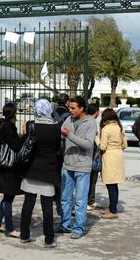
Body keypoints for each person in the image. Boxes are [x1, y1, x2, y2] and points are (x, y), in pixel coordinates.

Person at [19, 99, 61, 248]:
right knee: (47, 207)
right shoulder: (56, 128)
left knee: (28, 204)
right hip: (48, 169)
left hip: (31, 169)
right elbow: (57, 148)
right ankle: (49, 239)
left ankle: (24, 235)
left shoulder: (32, 125)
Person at [58, 96, 97, 240]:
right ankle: (64, 225)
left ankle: (79, 228)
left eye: (73, 108)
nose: (70, 110)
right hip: (67, 164)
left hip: (82, 166)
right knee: (65, 199)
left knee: (80, 200)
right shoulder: (69, 119)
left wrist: (69, 135)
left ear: (81, 109)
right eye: (70, 108)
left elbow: (88, 144)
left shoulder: (91, 122)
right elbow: (62, 132)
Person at [0, 102, 24, 238]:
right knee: (8, 197)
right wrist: (24, 137)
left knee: (7, 196)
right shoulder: (8, 127)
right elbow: (15, 146)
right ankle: (9, 228)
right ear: (14, 113)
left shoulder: (3, 125)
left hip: (5, 167)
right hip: (9, 167)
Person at [99, 108, 127, 219]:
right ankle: (112, 207)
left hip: (109, 156)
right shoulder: (119, 127)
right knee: (114, 184)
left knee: (110, 184)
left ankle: (113, 211)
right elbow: (125, 145)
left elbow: (102, 146)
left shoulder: (106, 128)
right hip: (118, 156)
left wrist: (97, 138)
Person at [86, 103, 101, 211]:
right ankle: (88, 201)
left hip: (89, 154)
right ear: (96, 112)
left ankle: (90, 200)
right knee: (91, 180)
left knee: (91, 180)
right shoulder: (91, 122)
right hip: (90, 155)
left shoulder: (87, 121)